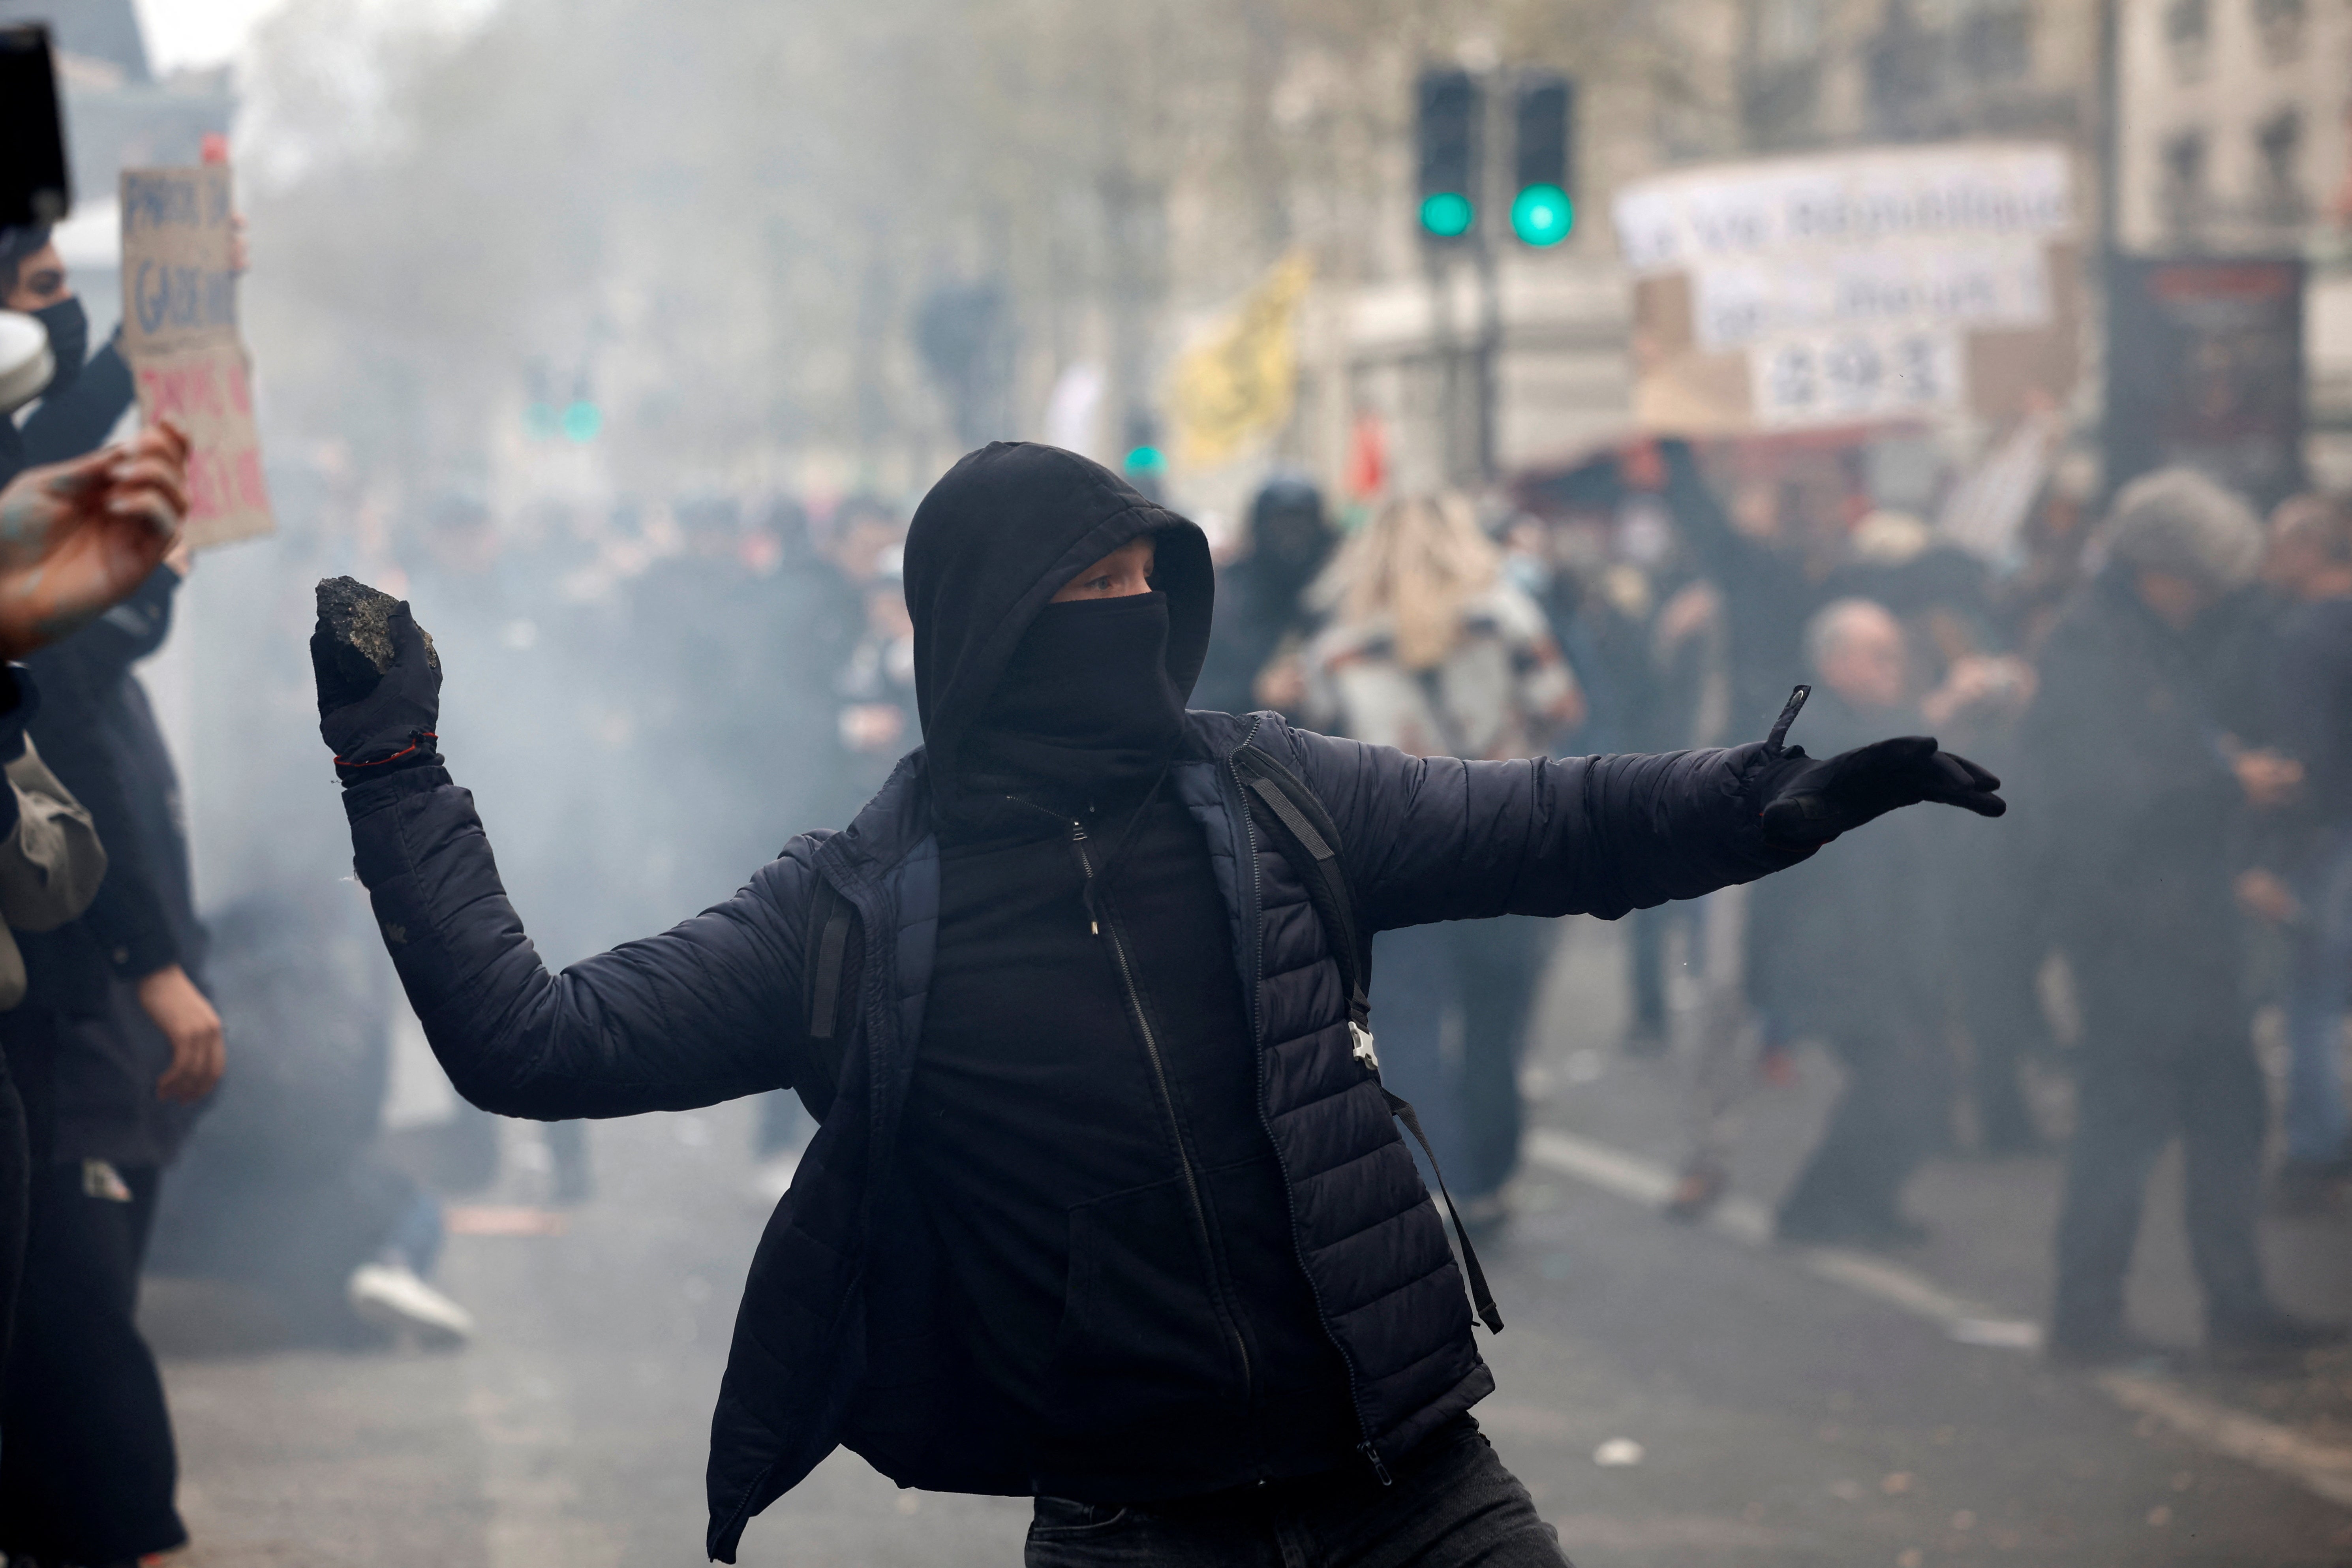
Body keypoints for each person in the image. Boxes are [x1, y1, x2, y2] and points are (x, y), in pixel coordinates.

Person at [315, 441, 2002, 1564]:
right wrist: (395, 765)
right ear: (987, 637)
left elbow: (1545, 819)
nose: (1136, 630)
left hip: (1412, 1485)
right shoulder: (850, 906)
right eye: (1091, 601)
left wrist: (1759, 801)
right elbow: (535, 1041)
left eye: (1153, 592)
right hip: (1137, 1527)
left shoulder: (1266, 791)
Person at [2029, 468, 2342, 1365]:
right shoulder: (2092, 646)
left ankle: (2235, 1305)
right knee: (2124, 1124)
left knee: (2228, 1116)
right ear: (2156, 567)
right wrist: (2224, 782)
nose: (2205, 600)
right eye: (2197, 580)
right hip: (2128, 927)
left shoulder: (2154, 640)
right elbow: (2102, 790)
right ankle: (2086, 1314)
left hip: (2185, 916)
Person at [1299, 494, 1585, 1232]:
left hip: (1397, 859)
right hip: (1503, 847)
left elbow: (1318, 742)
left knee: (1410, 1022)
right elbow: (1564, 705)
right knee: (1496, 1024)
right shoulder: (1505, 614)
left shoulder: (1338, 643)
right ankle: (1491, 1178)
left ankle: (1435, 1179)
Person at [1755, 601, 1955, 1245]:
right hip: (1844, 947)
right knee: (1894, 1077)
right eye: (1880, 655)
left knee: (1917, 1079)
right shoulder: (1818, 738)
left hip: (1888, 941)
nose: (1895, 668)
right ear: (1836, 663)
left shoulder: (1879, 724)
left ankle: (1866, 1202)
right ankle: (1811, 1208)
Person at [2247, 492, 2352, 1209]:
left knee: (2311, 998)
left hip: (2328, 834)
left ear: (2310, 551)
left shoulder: (2304, 637)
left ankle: (2317, 1150)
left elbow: (2302, 755)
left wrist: (2273, 849)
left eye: (2279, 545)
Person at [1192, 472, 1333, 719]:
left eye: (1302, 523)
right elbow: (1199, 693)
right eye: (1281, 524)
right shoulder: (1224, 598)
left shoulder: (1333, 592)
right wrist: (1256, 692)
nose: (1292, 537)